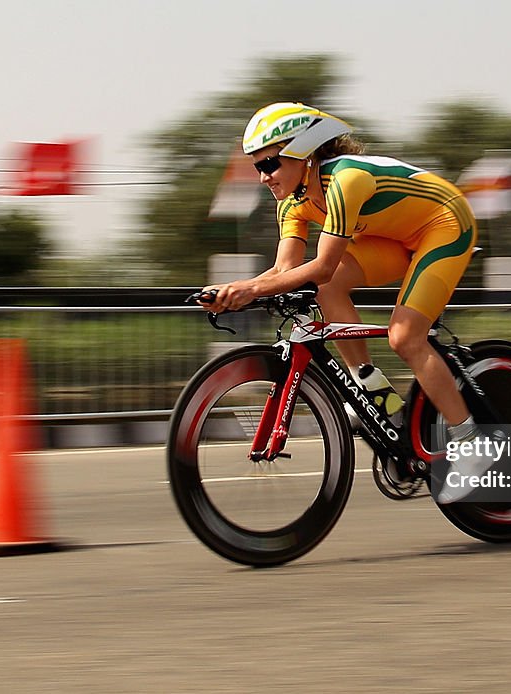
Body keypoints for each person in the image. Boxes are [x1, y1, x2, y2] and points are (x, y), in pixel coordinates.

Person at [202, 102, 491, 503]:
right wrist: (237, 288)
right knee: (329, 289)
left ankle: (473, 443)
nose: (264, 177)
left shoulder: (345, 180)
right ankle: (373, 388)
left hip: (444, 224)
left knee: (405, 337)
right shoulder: (291, 201)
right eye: (257, 168)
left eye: (269, 163)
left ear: (302, 151)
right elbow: (284, 270)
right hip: (397, 236)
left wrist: (251, 291)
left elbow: (319, 266)